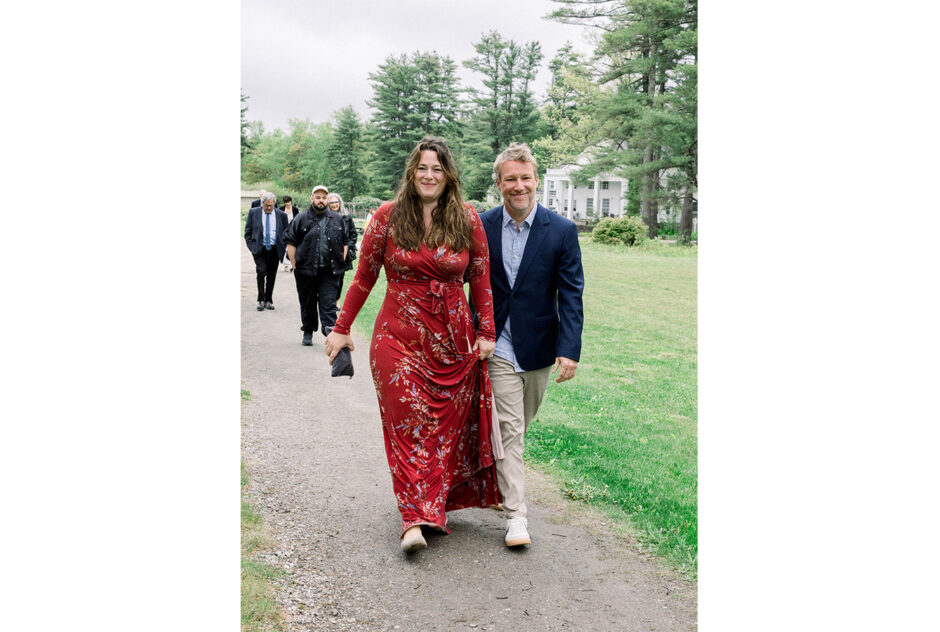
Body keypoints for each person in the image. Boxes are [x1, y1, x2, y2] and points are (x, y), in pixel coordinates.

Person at [324, 136, 500, 553]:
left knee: (439, 428)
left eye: (437, 168)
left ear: (449, 175)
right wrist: (341, 326)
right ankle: (412, 521)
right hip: (397, 339)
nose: (429, 175)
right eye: (423, 167)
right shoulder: (387, 217)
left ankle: (430, 505)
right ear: (411, 171)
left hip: (452, 342)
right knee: (407, 424)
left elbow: (480, 279)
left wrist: (486, 332)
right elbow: (365, 277)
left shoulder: (467, 219)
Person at [480, 142, 584, 548]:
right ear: (499, 183)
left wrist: (569, 348)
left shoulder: (561, 230)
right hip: (497, 345)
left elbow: (571, 293)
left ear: (536, 180)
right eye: (510, 179)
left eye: (525, 178)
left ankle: (500, 485)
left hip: (540, 345)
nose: (518, 186)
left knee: (518, 425)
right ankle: (516, 516)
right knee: (510, 431)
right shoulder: (482, 225)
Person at [283, 185, 354, 346]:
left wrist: (341, 261)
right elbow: (291, 242)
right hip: (305, 270)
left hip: (329, 271)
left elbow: (344, 242)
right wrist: (294, 265)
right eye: (318, 197)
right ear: (312, 198)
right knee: (307, 303)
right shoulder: (301, 218)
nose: (321, 200)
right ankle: (308, 331)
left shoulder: (337, 219)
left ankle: (331, 334)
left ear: (327, 199)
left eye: (324, 197)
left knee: (329, 304)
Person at [244, 192, 289, 311]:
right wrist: (252, 247)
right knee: (261, 271)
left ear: (274, 203)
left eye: (271, 205)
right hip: (260, 249)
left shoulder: (282, 215)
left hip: (275, 249)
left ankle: (268, 299)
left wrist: (283, 246)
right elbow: (247, 233)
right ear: (262, 203)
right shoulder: (254, 212)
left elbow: (286, 233)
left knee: (271, 275)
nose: (269, 208)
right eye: (266, 205)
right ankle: (260, 299)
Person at [326, 192, 357, 292]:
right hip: (327, 253)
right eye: (332, 203)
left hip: (342, 253)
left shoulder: (347, 216)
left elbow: (353, 234)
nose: (335, 204)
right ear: (328, 204)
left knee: (340, 278)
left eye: (336, 202)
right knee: (326, 278)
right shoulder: (324, 217)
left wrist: (348, 246)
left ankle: (336, 301)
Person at [280, 195, 299, 271]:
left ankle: (292, 263)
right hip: (283, 230)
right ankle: (286, 265)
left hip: (293, 230)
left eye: (288, 202)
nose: (287, 203)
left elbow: (297, 220)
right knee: (284, 247)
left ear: (291, 201)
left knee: (292, 247)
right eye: (285, 202)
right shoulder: (281, 209)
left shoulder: (295, 209)